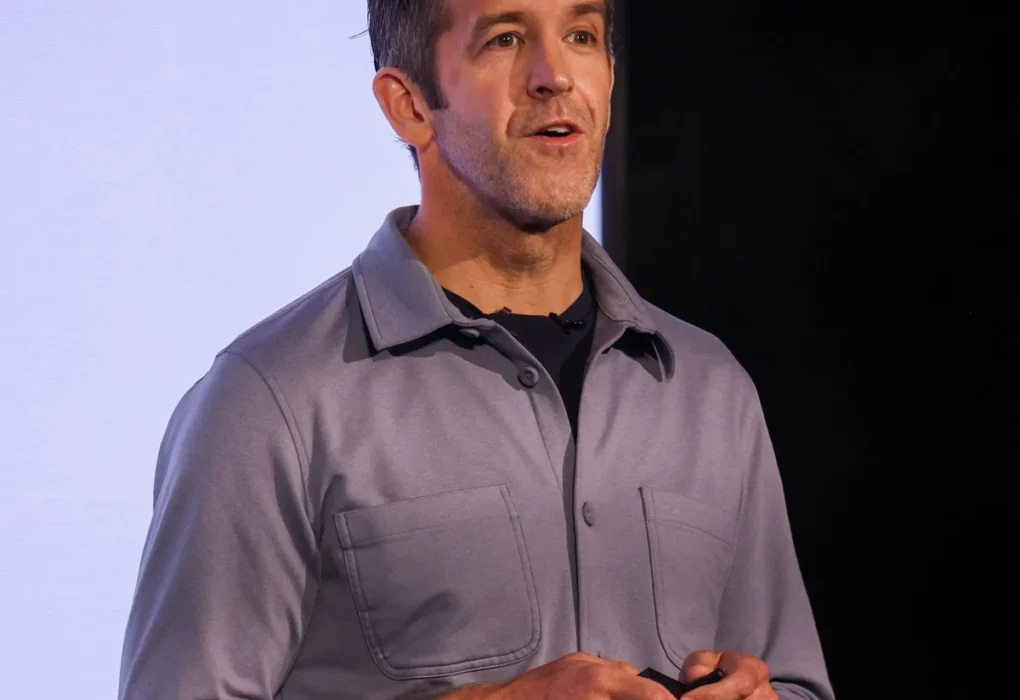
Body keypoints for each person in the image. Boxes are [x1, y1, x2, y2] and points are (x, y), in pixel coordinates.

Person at [117, 1, 835, 698]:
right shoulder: (271, 399)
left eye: (582, 35)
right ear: (409, 105)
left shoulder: (709, 389)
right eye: (505, 39)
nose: (555, 76)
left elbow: (796, 681)